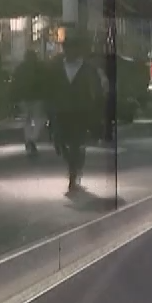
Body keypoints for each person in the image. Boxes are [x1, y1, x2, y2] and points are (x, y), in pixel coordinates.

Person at [46, 31, 108, 194]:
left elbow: (96, 90)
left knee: (76, 143)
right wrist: (50, 108)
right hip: (61, 111)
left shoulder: (87, 68)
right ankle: (73, 165)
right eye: (67, 48)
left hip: (81, 111)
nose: (69, 52)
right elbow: (49, 88)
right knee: (61, 142)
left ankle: (73, 172)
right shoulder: (57, 68)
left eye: (72, 48)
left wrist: (96, 111)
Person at [11, 49, 48, 159]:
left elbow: (14, 83)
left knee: (26, 120)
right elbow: (46, 81)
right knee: (39, 119)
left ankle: (28, 140)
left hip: (23, 97)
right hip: (37, 97)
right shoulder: (41, 67)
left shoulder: (20, 68)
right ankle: (32, 139)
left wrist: (14, 97)